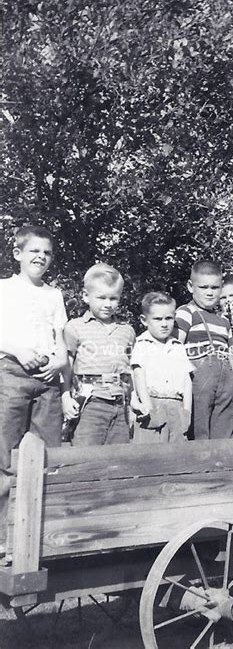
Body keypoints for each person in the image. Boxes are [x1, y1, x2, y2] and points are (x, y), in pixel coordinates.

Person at [0, 225, 68, 547]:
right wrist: (18, 350)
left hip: (47, 380)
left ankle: (41, 538)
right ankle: (2, 539)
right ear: (18, 254)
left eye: (47, 252)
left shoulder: (54, 295)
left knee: (47, 457)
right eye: (34, 251)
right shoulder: (4, 289)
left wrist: (59, 361)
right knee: (4, 457)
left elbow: (62, 340)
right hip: (12, 373)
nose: (41, 257)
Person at [63, 263, 135, 445]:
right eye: (101, 298)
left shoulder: (126, 330)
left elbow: (131, 369)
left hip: (120, 403)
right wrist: (64, 397)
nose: (107, 304)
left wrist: (134, 402)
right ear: (86, 297)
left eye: (113, 298)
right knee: (85, 457)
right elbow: (66, 366)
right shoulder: (75, 327)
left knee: (118, 460)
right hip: (90, 402)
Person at [174, 260, 233, 439]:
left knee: (224, 428)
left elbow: (231, 354)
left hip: (226, 381)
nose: (209, 292)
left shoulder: (224, 321)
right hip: (200, 381)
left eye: (215, 288)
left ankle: (223, 465)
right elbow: (175, 349)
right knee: (200, 429)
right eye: (203, 287)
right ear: (190, 286)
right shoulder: (186, 313)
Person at [130, 292, 193, 443]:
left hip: (176, 405)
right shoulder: (142, 343)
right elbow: (139, 376)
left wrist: (187, 411)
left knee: (177, 453)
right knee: (149, 452)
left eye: (169, 318)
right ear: (144, 320)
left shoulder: (178, 346)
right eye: (158, 319)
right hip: (152, 404)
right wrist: (148, 407)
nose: (164, 324)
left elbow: (187, 380)